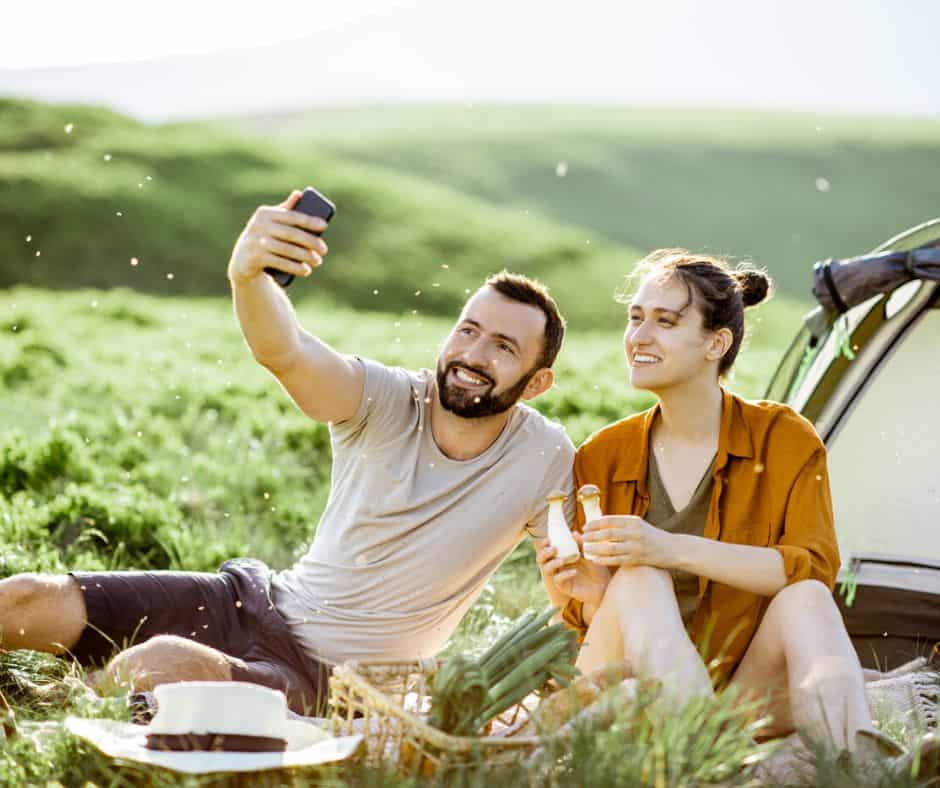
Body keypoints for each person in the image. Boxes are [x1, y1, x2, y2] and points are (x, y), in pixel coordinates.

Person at [0, 190, 575, 715]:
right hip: (254, 600)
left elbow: (576, 582)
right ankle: (82, 699)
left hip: (326, 683)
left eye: (503, 346)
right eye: (468, 330)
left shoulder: (543, 457)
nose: (473, 354)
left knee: (156, 664)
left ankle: (56, 714)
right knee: (22, 599)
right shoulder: (387, 397)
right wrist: (249, 277)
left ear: (535, 382)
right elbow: (288, 352)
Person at [536, 248, 906, 759]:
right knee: (638, 577)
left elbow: (811, 570)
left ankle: (861, 764)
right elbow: (590, 622)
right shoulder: (602, 456)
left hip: (739, 695)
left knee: (807, 599)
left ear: (717, 342)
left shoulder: (783, 439)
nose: (639, 337)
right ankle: (698, 745)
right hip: (632, 687)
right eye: (635, 318)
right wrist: (591, 590)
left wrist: (669, 547)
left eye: (664, 322)